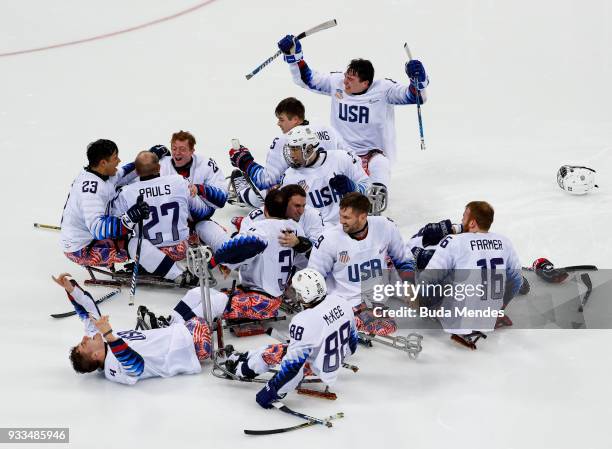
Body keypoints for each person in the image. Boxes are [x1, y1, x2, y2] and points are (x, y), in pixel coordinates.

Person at [276, 34, 429, 210]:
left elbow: (416, 97)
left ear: (365, 83)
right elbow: (307, 79)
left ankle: (374, 201)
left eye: (351, 79)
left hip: (372, 153)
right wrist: (295, 56)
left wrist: (419, 80)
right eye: (346, 75)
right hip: (341, 152)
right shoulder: (337, 83)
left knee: (381, 164)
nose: (345, 81)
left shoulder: (384, 90)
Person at [54, 272, 278, 385]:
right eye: (83, 344)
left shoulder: (100, 339)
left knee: (196, 293)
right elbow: (136, 366)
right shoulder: (113, 368)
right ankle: (262, 306)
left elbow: (87, 310)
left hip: (175, 330)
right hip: (190, 346)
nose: (84, 337)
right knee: (216, 302)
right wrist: (109, 335)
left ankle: (236, 299)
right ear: (95, 355)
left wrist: (71, 289)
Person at [223, 268, 358, 409]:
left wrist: (273, 391)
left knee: (272, 353)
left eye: (297, 291)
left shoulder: (303, 321)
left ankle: (240, 369)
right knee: (277, 349)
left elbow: (293, 368)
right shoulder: (341, 302)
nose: (295, 295)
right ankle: (245, 356)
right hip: (333, 360)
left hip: (316, 366)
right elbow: (352, 346)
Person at [307, 192, 415, 335]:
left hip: (375, 297)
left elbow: (403, 259)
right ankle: (347, 318)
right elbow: (314, 275)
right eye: (340, 216)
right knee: (382, 326)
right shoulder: (329, 239)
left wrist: (409, 284)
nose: (341, 221)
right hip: (343, 300)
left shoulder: (385, 226)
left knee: (389, 326)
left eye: (346, 218)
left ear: (363, 216)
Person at [417, 201, 523, 346]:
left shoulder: (454, 241)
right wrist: (500, 308)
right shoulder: (505, 242)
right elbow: (517, 280)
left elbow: (426, 280)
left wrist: (424, 306)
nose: (461, 220)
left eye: (464, 216)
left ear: (472, 223)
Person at [232, 126, 369, 225]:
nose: (291, 154)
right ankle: (243, 192)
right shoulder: (290, 176)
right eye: (290, 149)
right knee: (270, 197)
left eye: (295, 149)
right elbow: (284, 214)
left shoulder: (342, 159)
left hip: (348, 225)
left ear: (309, 149)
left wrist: (354, 189)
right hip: (316, 232)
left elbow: (370, 190)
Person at [112, 151, 214, 284]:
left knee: (132, 243)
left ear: (136, 171)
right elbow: (199, 211)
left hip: (151, 251)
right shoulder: (179, 181)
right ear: (159, 167)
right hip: (181, 249)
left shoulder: (127, 192)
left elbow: (115, 223)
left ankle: (174, 273)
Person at [209, 189, 310, 319]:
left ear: (265, 210)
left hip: (260, 301)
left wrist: (222, 262)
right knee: (201, 296)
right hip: (272, 298)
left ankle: (182, 331)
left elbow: (243, 249)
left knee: (210, 302)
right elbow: (307, 258)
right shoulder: (296, 229)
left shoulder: (260, 228)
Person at [60, 139, 158, 267]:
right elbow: (98, 229)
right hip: (82, 249)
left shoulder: (100, 173)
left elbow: (123, 174)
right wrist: (130, 218)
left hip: (86, 233)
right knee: (137, 244)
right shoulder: (91, 192)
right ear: (103, 163)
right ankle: (158, 267)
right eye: (115, 158)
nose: (119, 161)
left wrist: (148, 158)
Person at [157, 130, 229, 252]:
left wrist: (200, 189)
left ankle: (189, 232)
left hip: (201, 212)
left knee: (182, 187)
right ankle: (186, 232)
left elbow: (222, 199)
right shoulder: (162, 164)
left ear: (192, 151)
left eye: (182, 149)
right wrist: (151, 155)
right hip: (172, 218)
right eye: (174, 149)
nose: (177, 153)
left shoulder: (206, 164)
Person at [234, 184, 324, 268]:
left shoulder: (313, 215)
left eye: (303, 205)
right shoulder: (257, 217)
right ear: (284, 204)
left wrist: (299, 243)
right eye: (296, 206)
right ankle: (242, 192)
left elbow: (319, 255)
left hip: (297, 265)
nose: (301, 211)